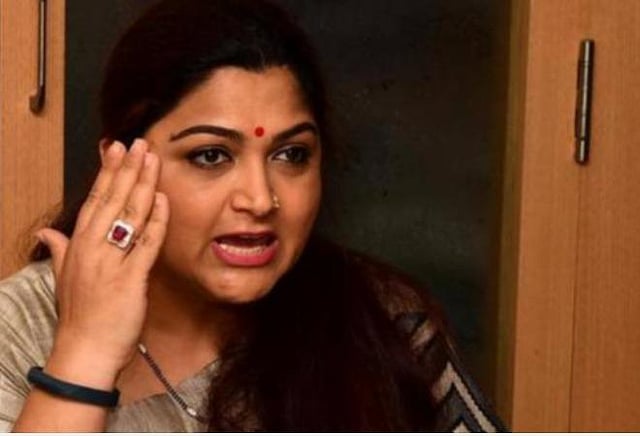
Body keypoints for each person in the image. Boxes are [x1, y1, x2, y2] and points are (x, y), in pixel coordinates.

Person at [0, 0, 506, 431]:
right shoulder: (20, 328)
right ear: (120, 165)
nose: (260, 200)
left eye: (291, 155)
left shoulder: (379, 321)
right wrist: (85, 352)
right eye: (211, 156)